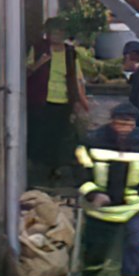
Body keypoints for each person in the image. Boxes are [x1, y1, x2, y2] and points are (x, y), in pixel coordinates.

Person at [76, 101, 139, 276]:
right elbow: (79, 173)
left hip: (132, 208)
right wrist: (94, 194)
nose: (124, 129)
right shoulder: (92, 141)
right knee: (95, 252)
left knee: (136, 250)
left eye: (128, 125)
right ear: (112, 122)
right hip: (100, 210)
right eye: (120, 124)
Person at [26, 17, 92, 185]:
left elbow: (77, 78)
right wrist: (39, 63)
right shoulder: (39, 49)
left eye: (61, 32)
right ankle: (39, 169)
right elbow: (26, 73)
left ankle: (55, 169)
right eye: (55, 32)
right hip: (41, 101)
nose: (58, 35)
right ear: (47, 33)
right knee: (40, 135)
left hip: (63, 101)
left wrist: (81, 101)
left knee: (60, 136)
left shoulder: (70, 52)